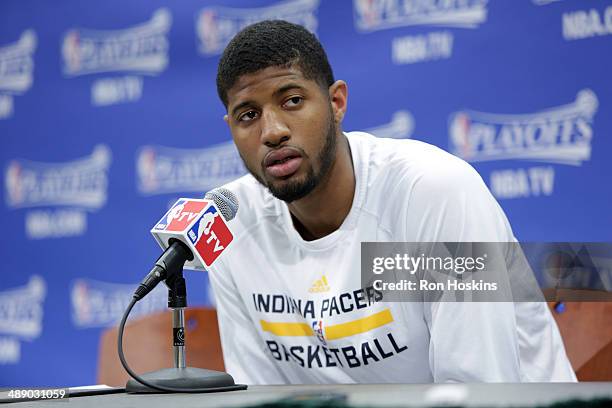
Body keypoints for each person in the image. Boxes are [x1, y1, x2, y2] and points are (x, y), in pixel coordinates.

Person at [207, 20, 576, 384]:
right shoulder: (231, 222)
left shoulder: (434, 192)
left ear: (336, 102)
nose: (272, 131)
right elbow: (255, 395)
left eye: (292, 101)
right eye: (248, 115)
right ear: (230, 129)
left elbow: (475, 389)